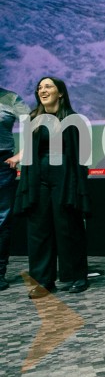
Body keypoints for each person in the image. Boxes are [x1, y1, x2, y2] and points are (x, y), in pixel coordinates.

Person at [14, 77, 90, 298]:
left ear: (61, 92)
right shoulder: (33, 119)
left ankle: (76, 276)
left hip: (65, 178)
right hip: (38, 178)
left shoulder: (73, 119)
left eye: (48, 86)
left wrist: (78, 185)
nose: (43, 90)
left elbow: (80, 156)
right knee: (38, 231)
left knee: (68, 228)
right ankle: (43, 281)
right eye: (40, 88)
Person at [0, 87, 30, 292]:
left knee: (1, 220)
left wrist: (21, 154)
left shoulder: (10, 98)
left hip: (2, 164)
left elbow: (33, 127)